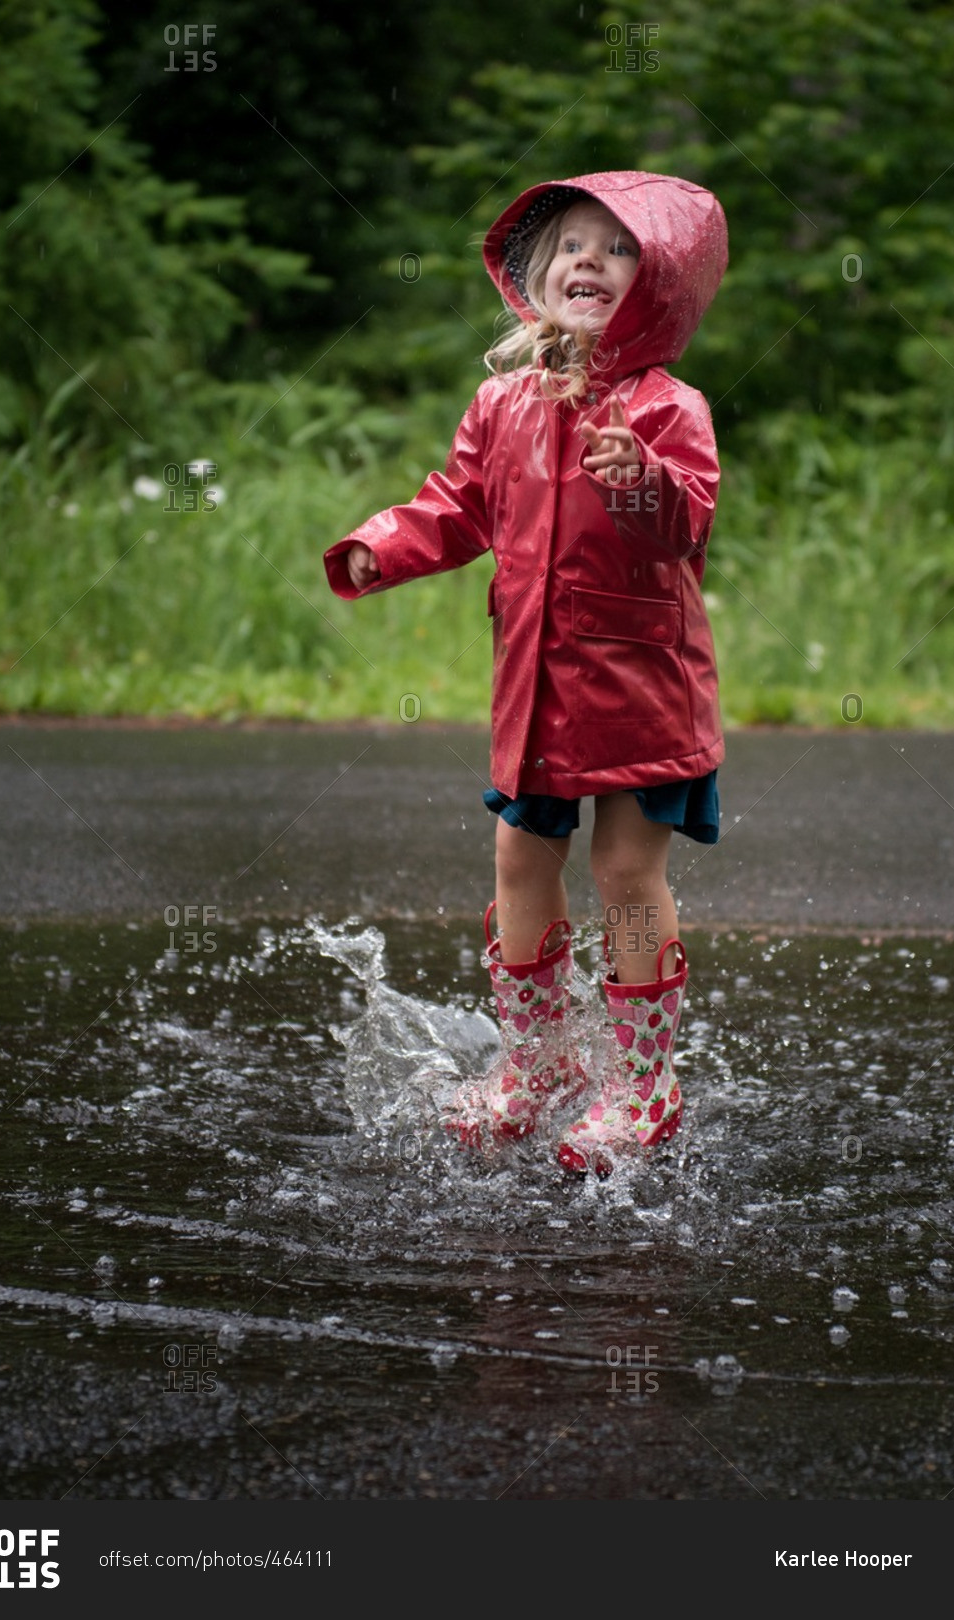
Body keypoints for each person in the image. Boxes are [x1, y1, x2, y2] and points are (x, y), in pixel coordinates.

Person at [323, 170, 728, 1178]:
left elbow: (686, 522)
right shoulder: (501, 403)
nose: (587, 259)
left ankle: (642, 1085)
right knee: (518, 861)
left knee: (625, 874)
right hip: (535, 688)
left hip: (640, 689)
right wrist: (385, 543)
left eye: (619, 247)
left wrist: (637, 476)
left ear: (661, 285)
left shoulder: (667, 407)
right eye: (570, 244)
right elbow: (456, 505)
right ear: (533, 274)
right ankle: (537, 1063)